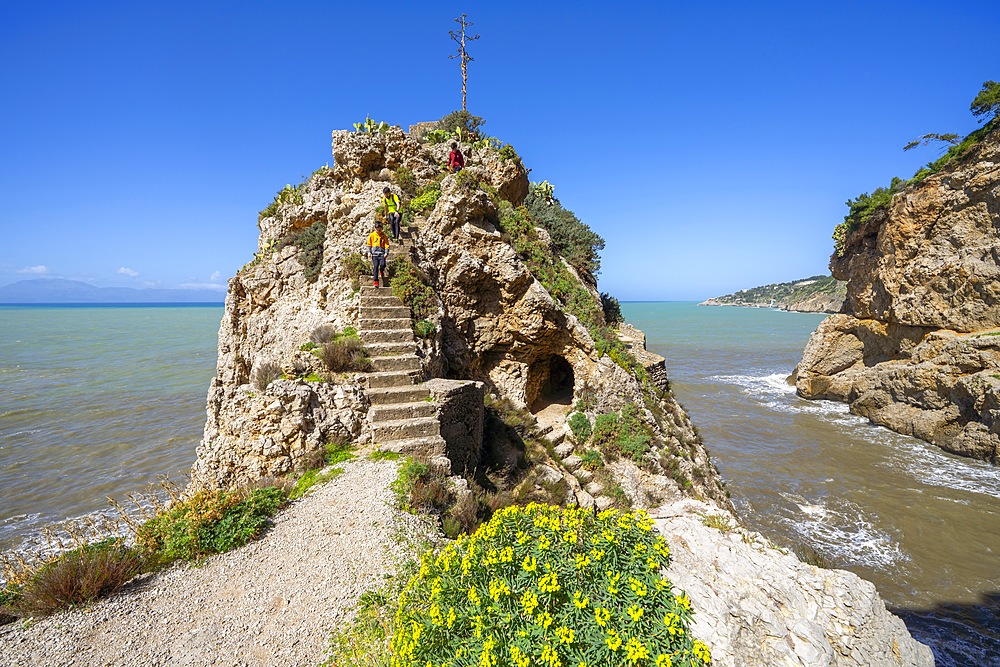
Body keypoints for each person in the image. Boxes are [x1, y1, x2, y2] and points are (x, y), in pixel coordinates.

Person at [366, 220, 390, 287]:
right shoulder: (372, 235)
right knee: (375, 266)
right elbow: (369, 244)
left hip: (382, 254)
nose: (378, 231)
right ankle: (376, 281)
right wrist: (369, 252)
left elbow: (386, 245)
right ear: (374, 228)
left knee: (382, 265)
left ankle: (382, 270)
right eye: (377, 229)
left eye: (380, 230)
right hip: (375, 254)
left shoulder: (384, 236)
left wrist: (386, 252)